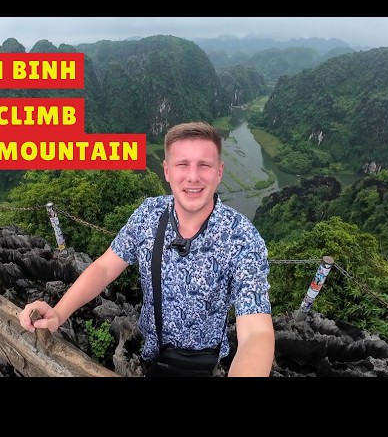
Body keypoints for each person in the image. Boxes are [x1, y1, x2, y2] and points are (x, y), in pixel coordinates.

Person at [18, 121, 275, 377]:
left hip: (203, 362)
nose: (193, 176)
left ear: (219, 172)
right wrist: (59, 312)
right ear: (167, 170)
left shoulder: (241, 238)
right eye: (182, 164)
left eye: (204, 165)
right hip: (151, 352)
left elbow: (256, 331)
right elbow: (106, 267)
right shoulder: (149, 215)